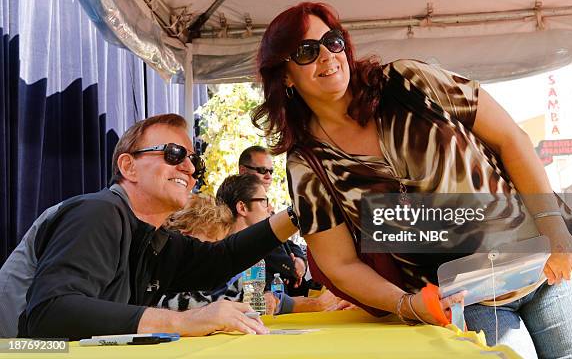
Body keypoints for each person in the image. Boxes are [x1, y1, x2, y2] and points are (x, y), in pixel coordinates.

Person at [251, 2, 572, 358]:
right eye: (306, 52)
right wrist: (406, 304)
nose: (328, 56)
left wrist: (555, 229)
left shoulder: (407, 81)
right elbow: (340, 264)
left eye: (333, 41)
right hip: (465, 300)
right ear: (284, 75)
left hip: (551, 261)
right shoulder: (307, 164)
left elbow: (510, 138)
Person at [0, 114, 300, 339]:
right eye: (174, 154)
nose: (190, 168)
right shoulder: (97, 212)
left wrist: (301, 212)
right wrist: (184, 321)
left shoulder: (153, 238)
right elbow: (50, 314)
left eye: (195, 160)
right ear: (128, 166)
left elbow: (222, 258)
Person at [157, 182, 350, 314]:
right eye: (211, 245)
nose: (216, 255)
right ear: (185, 238)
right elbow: (185, 304)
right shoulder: (158, 274)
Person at [238, 146, 308, 295]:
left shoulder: (266, 205)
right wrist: (291, 267)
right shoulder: (236, 202)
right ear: (243, 171)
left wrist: (300, 261)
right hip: (259, 296)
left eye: (271, 171)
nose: (268, 176)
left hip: (283, 291)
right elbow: (258, 243)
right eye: (262, 170)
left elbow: (287, 242)